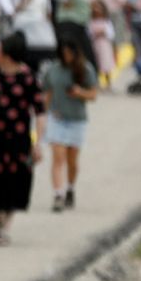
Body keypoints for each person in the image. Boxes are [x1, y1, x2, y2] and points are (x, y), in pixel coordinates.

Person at [0, 34, 46, 246]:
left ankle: (5, 225)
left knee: (17, 183)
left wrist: (38, 142)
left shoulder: (29, 78)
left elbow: (40, 112)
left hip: (19, 140)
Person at [42, 37, 97, 212]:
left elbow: (93, 95)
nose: (66, 57)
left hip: (76, 120)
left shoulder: (85, 69)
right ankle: (58, 194)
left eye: (69, 53)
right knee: (58, 157)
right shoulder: (53, 70)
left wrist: (80, 92)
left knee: (72, 161)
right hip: (57, 119)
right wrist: (45, 113)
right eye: (63, 53)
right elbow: (47, 93)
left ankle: (70, 188)